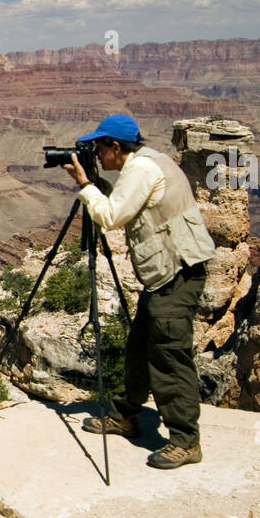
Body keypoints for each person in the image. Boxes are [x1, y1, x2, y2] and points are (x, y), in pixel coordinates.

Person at [60, 113, 217, 470]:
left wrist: (86, 184)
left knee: (168, 357)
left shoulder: (142, 171)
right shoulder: (148, 161)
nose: (96, 154)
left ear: (116, 146)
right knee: (138, 350)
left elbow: (113, 217)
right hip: (165, 274)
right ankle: (125, 416)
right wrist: (96, 182)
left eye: (99, 148)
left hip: (176, 275)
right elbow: (131, 207)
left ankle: (185, 441)